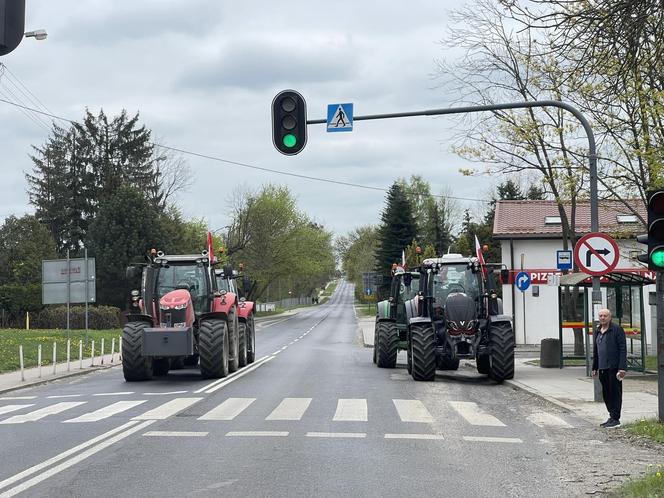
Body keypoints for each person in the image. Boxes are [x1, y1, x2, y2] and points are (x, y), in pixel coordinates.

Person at [591, 308, 627, 428]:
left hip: (614, 367)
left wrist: (622, 368)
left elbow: (623, 349)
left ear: (610, 317)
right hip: (602, 367)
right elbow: (596, 350)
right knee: (606, 393)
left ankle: (615, 418)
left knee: (615, 393)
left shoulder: (617, 329)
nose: (602, 318)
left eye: (605, 316)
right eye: (600, 316)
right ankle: (611, 416)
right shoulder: (597, 330)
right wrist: (594, 366)